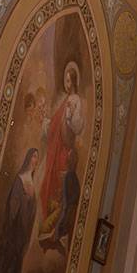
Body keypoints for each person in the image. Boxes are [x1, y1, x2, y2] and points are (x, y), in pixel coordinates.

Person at [39, 62, 85, 253]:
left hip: (63, 152)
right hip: (55, 151)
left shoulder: (75, 100)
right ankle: (48, 229)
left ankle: (56, 232)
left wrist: (69, 117)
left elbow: (78, 127)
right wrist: (47, 122)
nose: (67, 84)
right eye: (65, 80)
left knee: (61, 192)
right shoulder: (65, 100)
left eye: (69, 80)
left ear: (74, 81)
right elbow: (55, 126)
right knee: (47, 186)